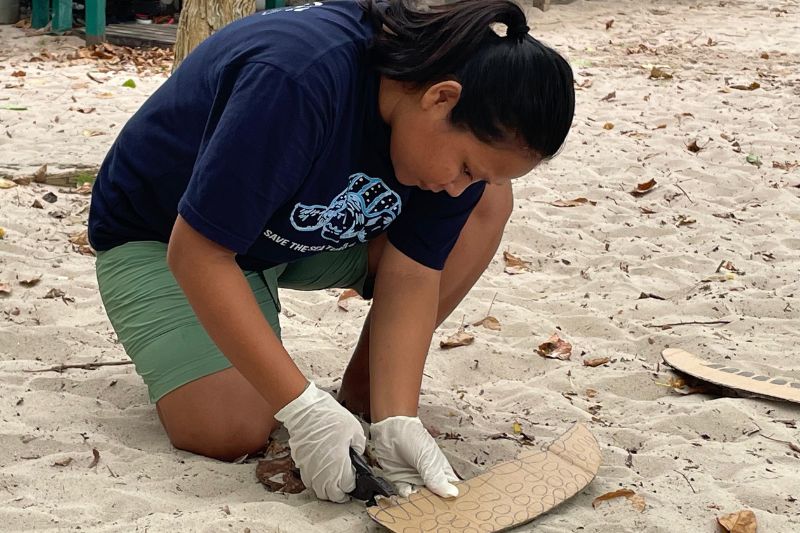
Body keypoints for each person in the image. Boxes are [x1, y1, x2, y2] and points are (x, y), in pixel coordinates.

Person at [88, 0, 574, 504]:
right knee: (228, 430)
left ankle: (370, 399)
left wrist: (397, 418)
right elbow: (199, 255)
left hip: (298, 233)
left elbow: (413, 272)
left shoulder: (451, 128)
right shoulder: (298, 77)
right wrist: (303, 409)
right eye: (467, 166)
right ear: (441, 98)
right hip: (167, 235)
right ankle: (297, 385)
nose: (457, 187)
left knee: (489, 200)